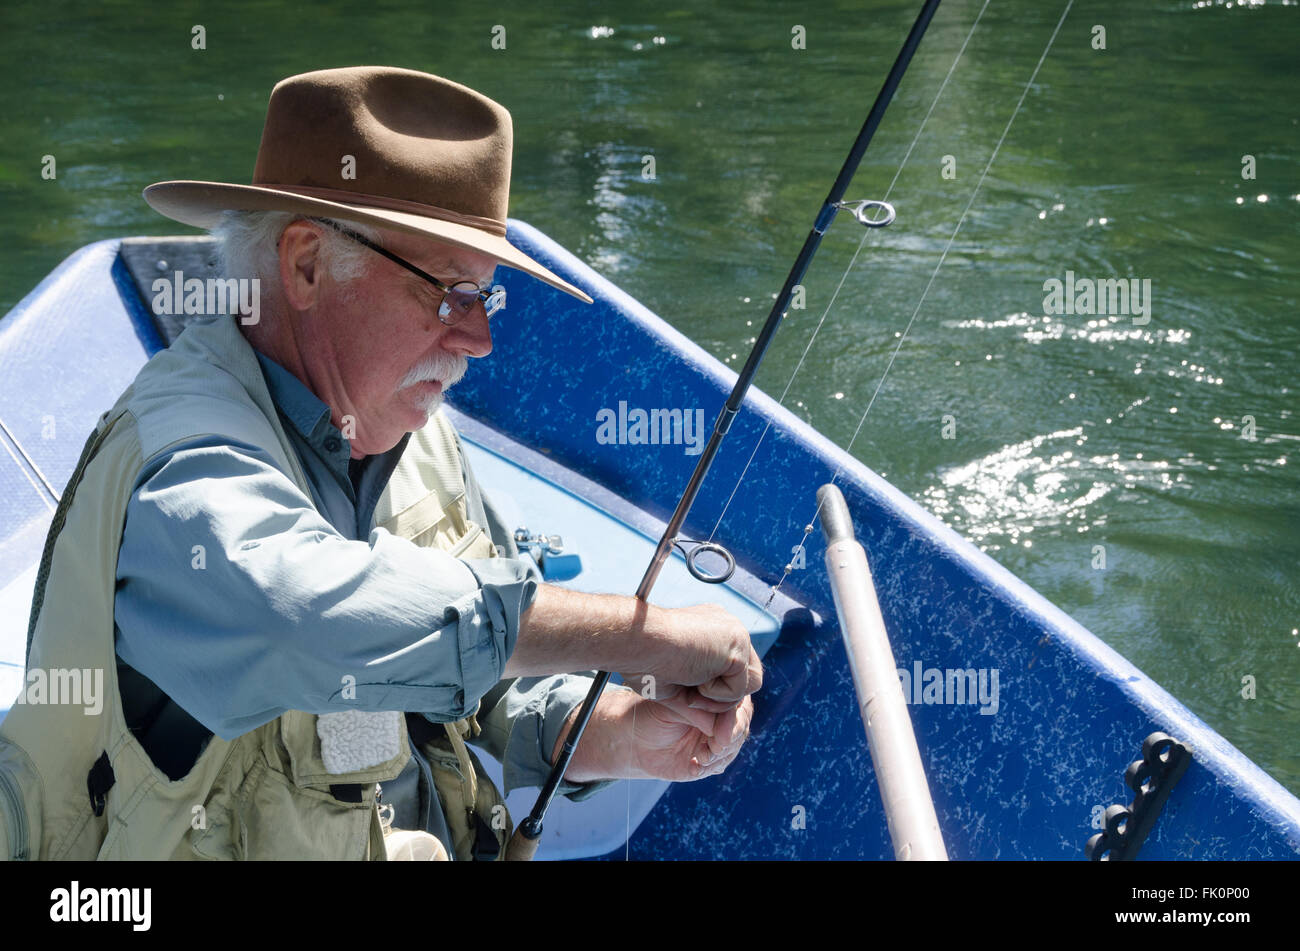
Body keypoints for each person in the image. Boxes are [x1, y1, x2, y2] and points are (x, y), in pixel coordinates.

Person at [1, 66, 759, 861]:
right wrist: (643, 635)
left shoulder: (411, 427)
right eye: (447, 294)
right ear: (305, 266)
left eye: (484, 297)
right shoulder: (182, 458)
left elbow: (485, 669)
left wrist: (623, 734)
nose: (478, 339)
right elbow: (308, 621)